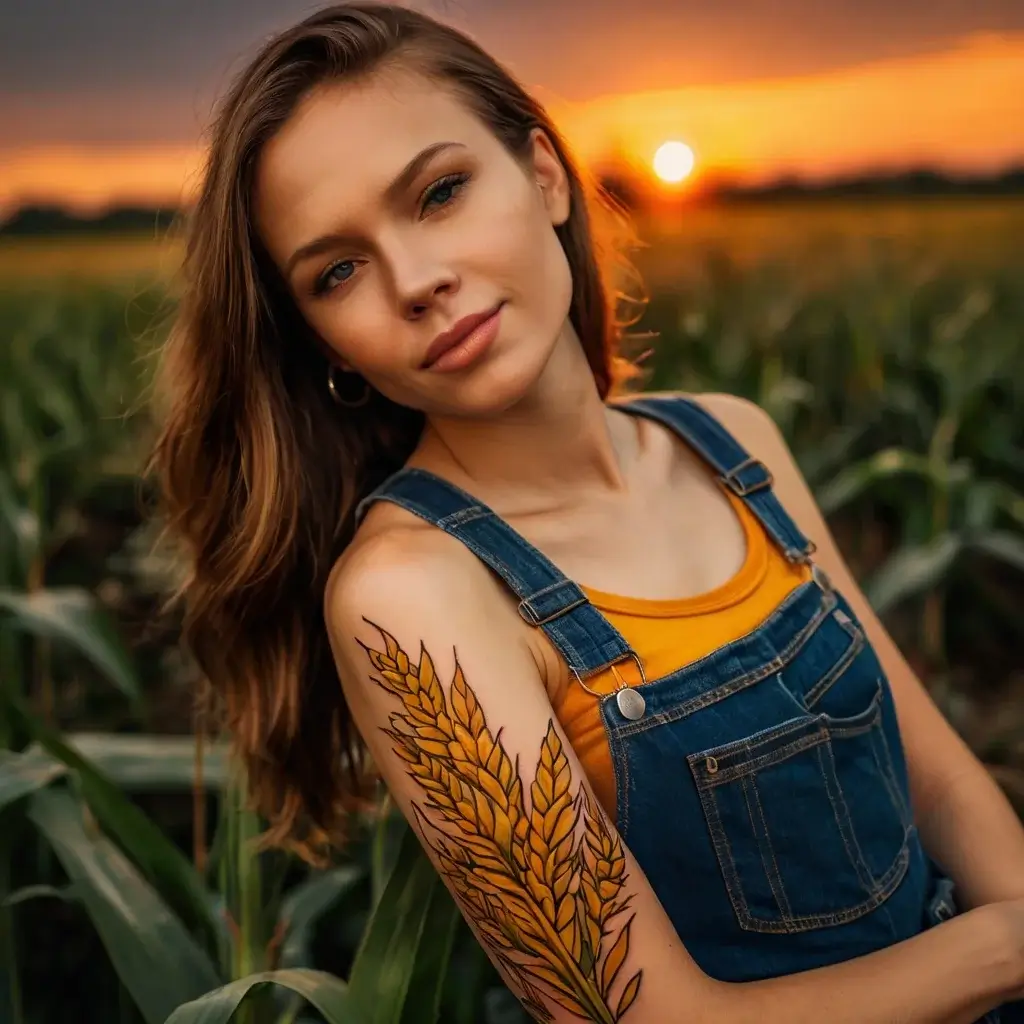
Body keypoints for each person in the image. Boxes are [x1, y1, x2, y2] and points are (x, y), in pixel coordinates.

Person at [145, 3, 1024, 1021]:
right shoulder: (411, 593)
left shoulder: (730, 442)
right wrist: (1000, 948)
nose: (418, 281)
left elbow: (944, 787)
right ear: (326, 344)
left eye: (439, 193)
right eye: (338, 271)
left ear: (544, 176)